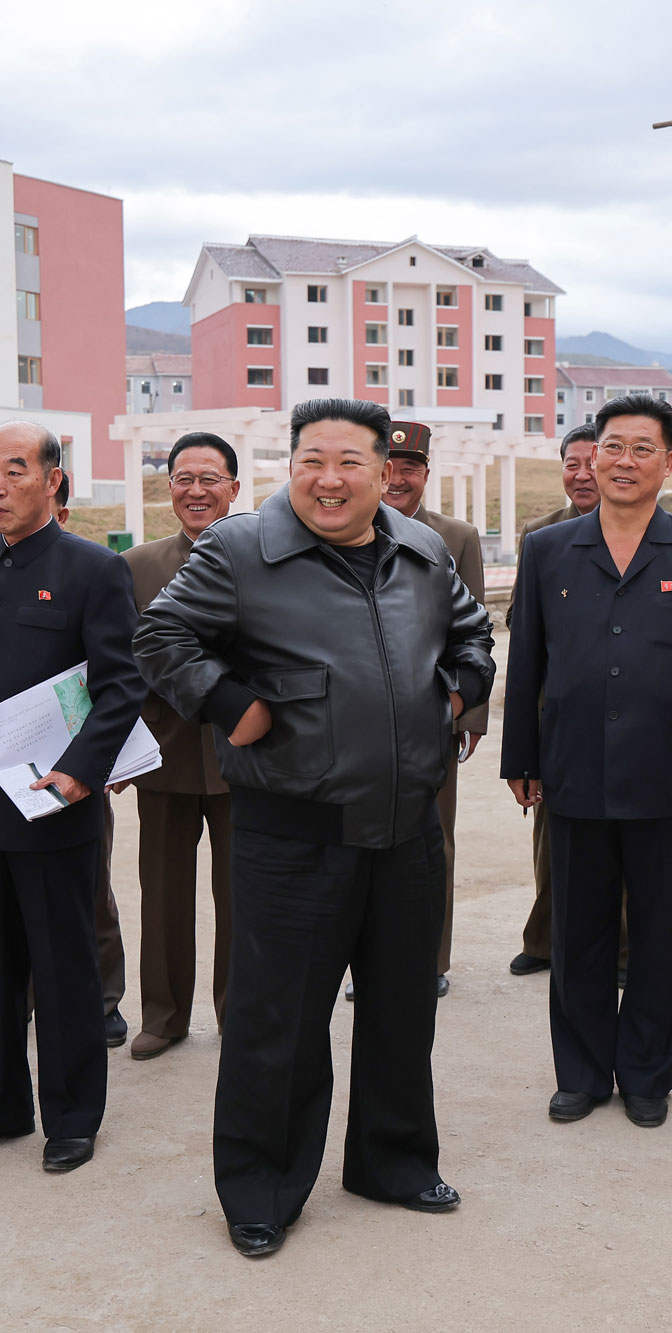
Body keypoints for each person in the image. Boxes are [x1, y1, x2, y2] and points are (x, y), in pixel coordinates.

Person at [134, 397, 496, 1257]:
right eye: (311, 460)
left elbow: (473, 633)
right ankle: (261, 1185)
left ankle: (394, 1161)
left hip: (408, 824)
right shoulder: (240, 549)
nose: (328, 479)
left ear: (382, 474)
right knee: (279, 1021)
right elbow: (162, 636)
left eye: (349, 463)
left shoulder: (421, 550)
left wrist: (456, 691)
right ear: (290, 466)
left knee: (403, 1010)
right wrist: (233, 705)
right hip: (293, 829)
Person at [500, 393, 672, 1130]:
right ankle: (580, 1071)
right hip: (572, 771)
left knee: (659, 932)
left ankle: (647, 1071)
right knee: (577, 930)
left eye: (644, 448)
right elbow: (529, 661)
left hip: (665, 775)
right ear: (592, 456)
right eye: (613, 446)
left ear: (669, 462)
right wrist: (522, 754)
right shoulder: (550, 550)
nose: (625, 460)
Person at [0, 421, 147, 1175]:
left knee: (63, 963)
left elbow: (120, 686)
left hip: (52, 804)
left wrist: (81, 769)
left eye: (15, 470)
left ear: (54, 481)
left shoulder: (92, 570)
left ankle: (73, 1115)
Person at [116, 432, 241, 1060]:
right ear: (169, 490)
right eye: (183, 478)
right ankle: (163, 1016)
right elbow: (114, 668)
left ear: (234, 489)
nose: (196, 490)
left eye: (209, 478)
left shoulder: (265, 558)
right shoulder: (136, 567)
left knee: (242, 895)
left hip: (245, 758)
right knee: (162, 893)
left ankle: (238, 1014)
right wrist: (111, 752)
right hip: (160, 754)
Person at [379, 420, 486, 997]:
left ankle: (431, 960)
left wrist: (466, 715)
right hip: (360, 718)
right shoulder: (344, 529)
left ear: (425, 473)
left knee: (433, 839)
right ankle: (371, 957)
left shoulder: (456, 536)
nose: (398, 480)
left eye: (411, 468)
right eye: (389, 467)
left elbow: (473, 635)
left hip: (430, 716)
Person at [506, 422, 605, 978]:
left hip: (623, 708)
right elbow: (523, 627)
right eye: (572, 463)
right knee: (551, 835)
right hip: (558, 708)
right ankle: (545, 939)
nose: (583, 474)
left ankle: (617, 947)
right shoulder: (539, 535)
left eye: (593, 461)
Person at [52, 487, 130, 1047]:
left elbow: (119, 680)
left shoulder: (94, 570)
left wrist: (99, 761)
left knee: (90, 890)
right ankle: (34, 998)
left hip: (79, 760)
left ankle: (103, 1001)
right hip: (11, 763)